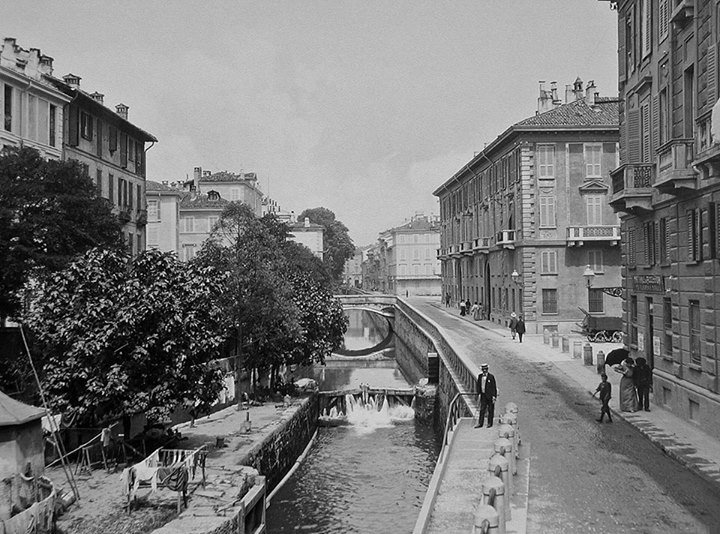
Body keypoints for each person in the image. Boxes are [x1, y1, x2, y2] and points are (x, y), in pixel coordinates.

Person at [475, 363, 498, 428]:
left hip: (490, 396)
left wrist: (494, 396)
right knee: (482, 410)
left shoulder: (491, 377)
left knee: (490, 410)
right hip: (483, 395)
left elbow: (494, 387)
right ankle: (480, 423)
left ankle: (490, 423)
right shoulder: (480, 376)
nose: (484, 370)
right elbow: (478, 386)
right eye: (483, 369)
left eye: (485, 369)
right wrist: (478, 394)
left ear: (487, 369)